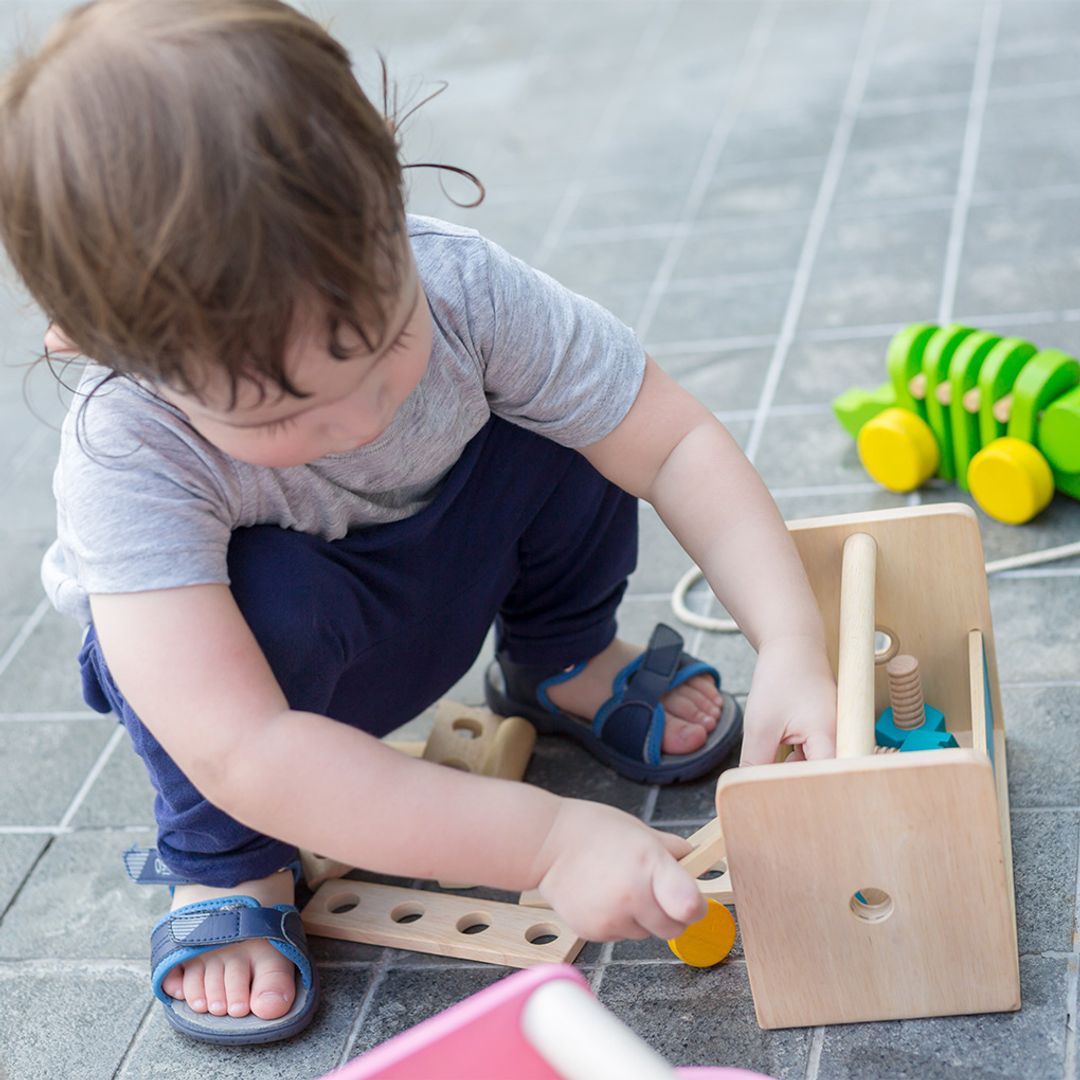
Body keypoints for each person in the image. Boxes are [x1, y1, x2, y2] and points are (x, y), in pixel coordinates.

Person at [0, 0, 837, 1046]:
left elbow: (669, 442)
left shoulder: (460, 286)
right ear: (98, 347)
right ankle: (229, 864)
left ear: (389, 195)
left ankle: (563, 658)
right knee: (233, 647)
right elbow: (243, 745)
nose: (363, 418)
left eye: (388, 344)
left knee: (569, 421)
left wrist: (794, 641)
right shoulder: (129, 452)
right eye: (283, 413)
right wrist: (544, 845)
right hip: (267, 699)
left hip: (448, 560)